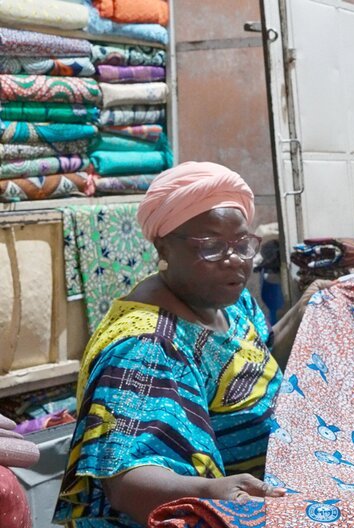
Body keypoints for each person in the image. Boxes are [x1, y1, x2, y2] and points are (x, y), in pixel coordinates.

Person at [53, 162, 326, 527]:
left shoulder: (228, 302)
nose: (235, 261)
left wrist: (307, 310)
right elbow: (126, 482)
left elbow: (254, 366)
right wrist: (211, 492)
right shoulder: (146, 347)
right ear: (163, 246)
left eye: (242, 244)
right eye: (211, 246)